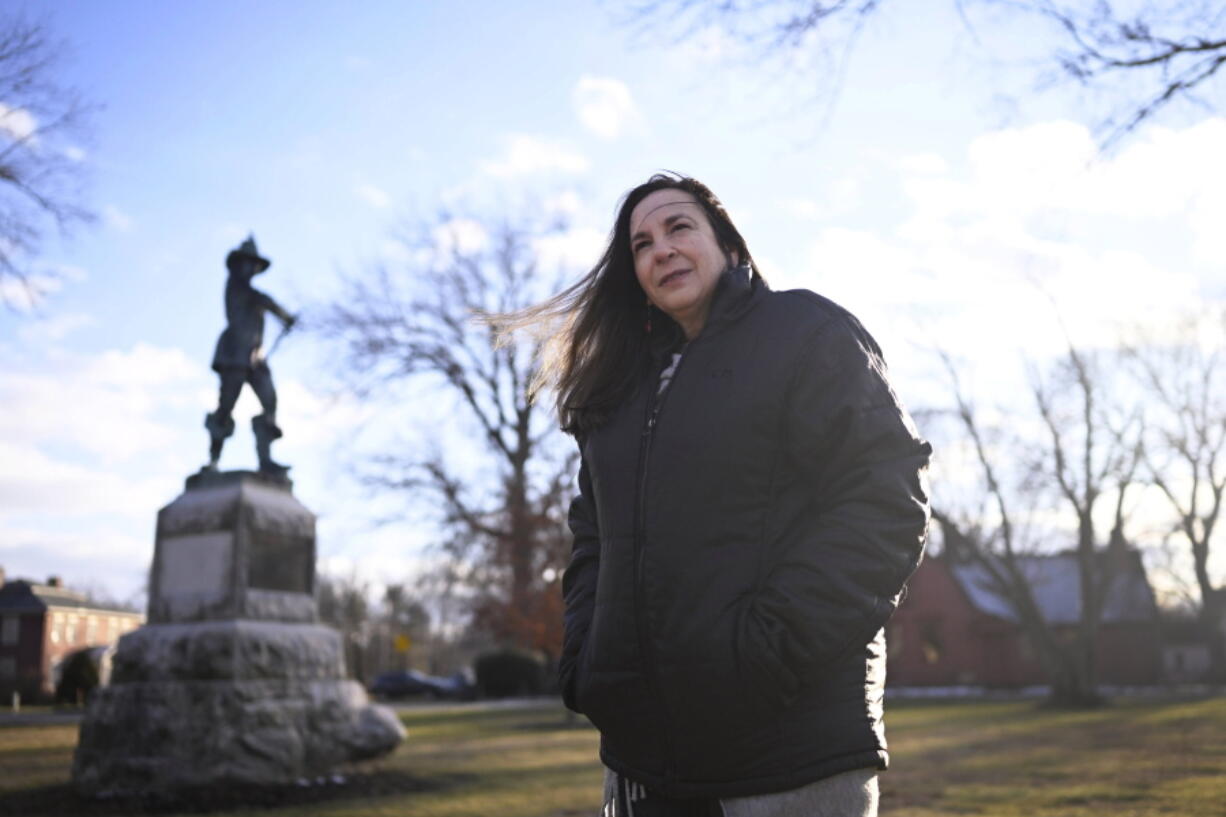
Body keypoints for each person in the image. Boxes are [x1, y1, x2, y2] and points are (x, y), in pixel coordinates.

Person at [516, 173, 931, 817]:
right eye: (641, 243)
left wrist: (771, 650)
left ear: (730, 246)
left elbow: (885, 495)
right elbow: (592, 541)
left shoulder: (805, 331)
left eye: (679, 227)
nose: (661, 249)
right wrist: (586, 661)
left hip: (788, 758)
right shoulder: (619, 391)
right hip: (643, 768)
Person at [204, 235, 297, 476]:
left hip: (256, 357)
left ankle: (265, 459)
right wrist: (284, 315)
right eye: (247, 263)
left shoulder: (253, 294)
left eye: (254, 264)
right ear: (239, 265)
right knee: (226, 406)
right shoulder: (237, 287)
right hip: (234, 353)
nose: (251, 268)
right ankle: (213, 460)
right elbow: (263, 300)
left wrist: (286, 318)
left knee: (270, 401)